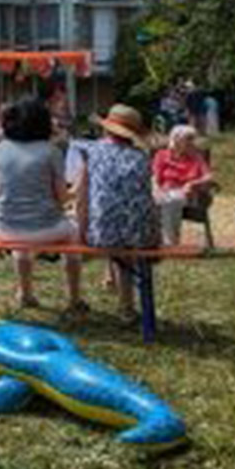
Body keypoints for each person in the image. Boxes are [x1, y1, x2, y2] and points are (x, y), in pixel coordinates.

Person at [0, 97, 82, 310]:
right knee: (73, 232)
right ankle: (74, 298)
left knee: (21, 242)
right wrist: (81, 184)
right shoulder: (51, 151)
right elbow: (63, 198)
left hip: (5, 228)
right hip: (46, 229)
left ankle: (25, 293)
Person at [76, 104, 159, 318]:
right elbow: (147, 199)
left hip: (104, 233)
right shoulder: (142, 157)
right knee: (124, 238)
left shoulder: (92, 152)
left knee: (110, 228)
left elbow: (82, 197)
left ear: (106, 129)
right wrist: (156, 233)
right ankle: (126, 305)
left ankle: (122, 301)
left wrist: (81, 232)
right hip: (141, 234)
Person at [151, 125, 214, 246]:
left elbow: (208, 177)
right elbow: (154, 176)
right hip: (163, 192)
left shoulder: (196, 158)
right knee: (159, 200)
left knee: (172, 201)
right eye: (188, 139)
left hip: (186, 194)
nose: (192, 142)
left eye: (192, 138)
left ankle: (170, 243)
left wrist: (192, 183)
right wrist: (156, 189)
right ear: (176, 140)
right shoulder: (162, 155)